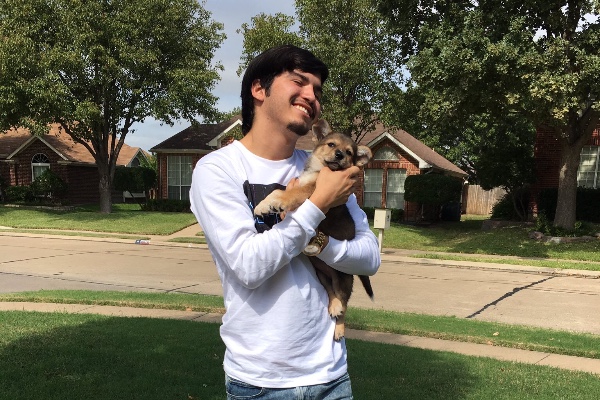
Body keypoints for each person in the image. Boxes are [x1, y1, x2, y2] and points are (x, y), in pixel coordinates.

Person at [190, 44, 380, 399]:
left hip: (331, 375)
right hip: (261, 383)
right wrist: (318, 203)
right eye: (299, 82)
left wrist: (321, 243)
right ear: (258, 89)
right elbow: (249, 266)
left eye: (317, 91)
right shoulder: (218, 169)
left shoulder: (326, 168)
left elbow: (369, 258)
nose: (311, 96)